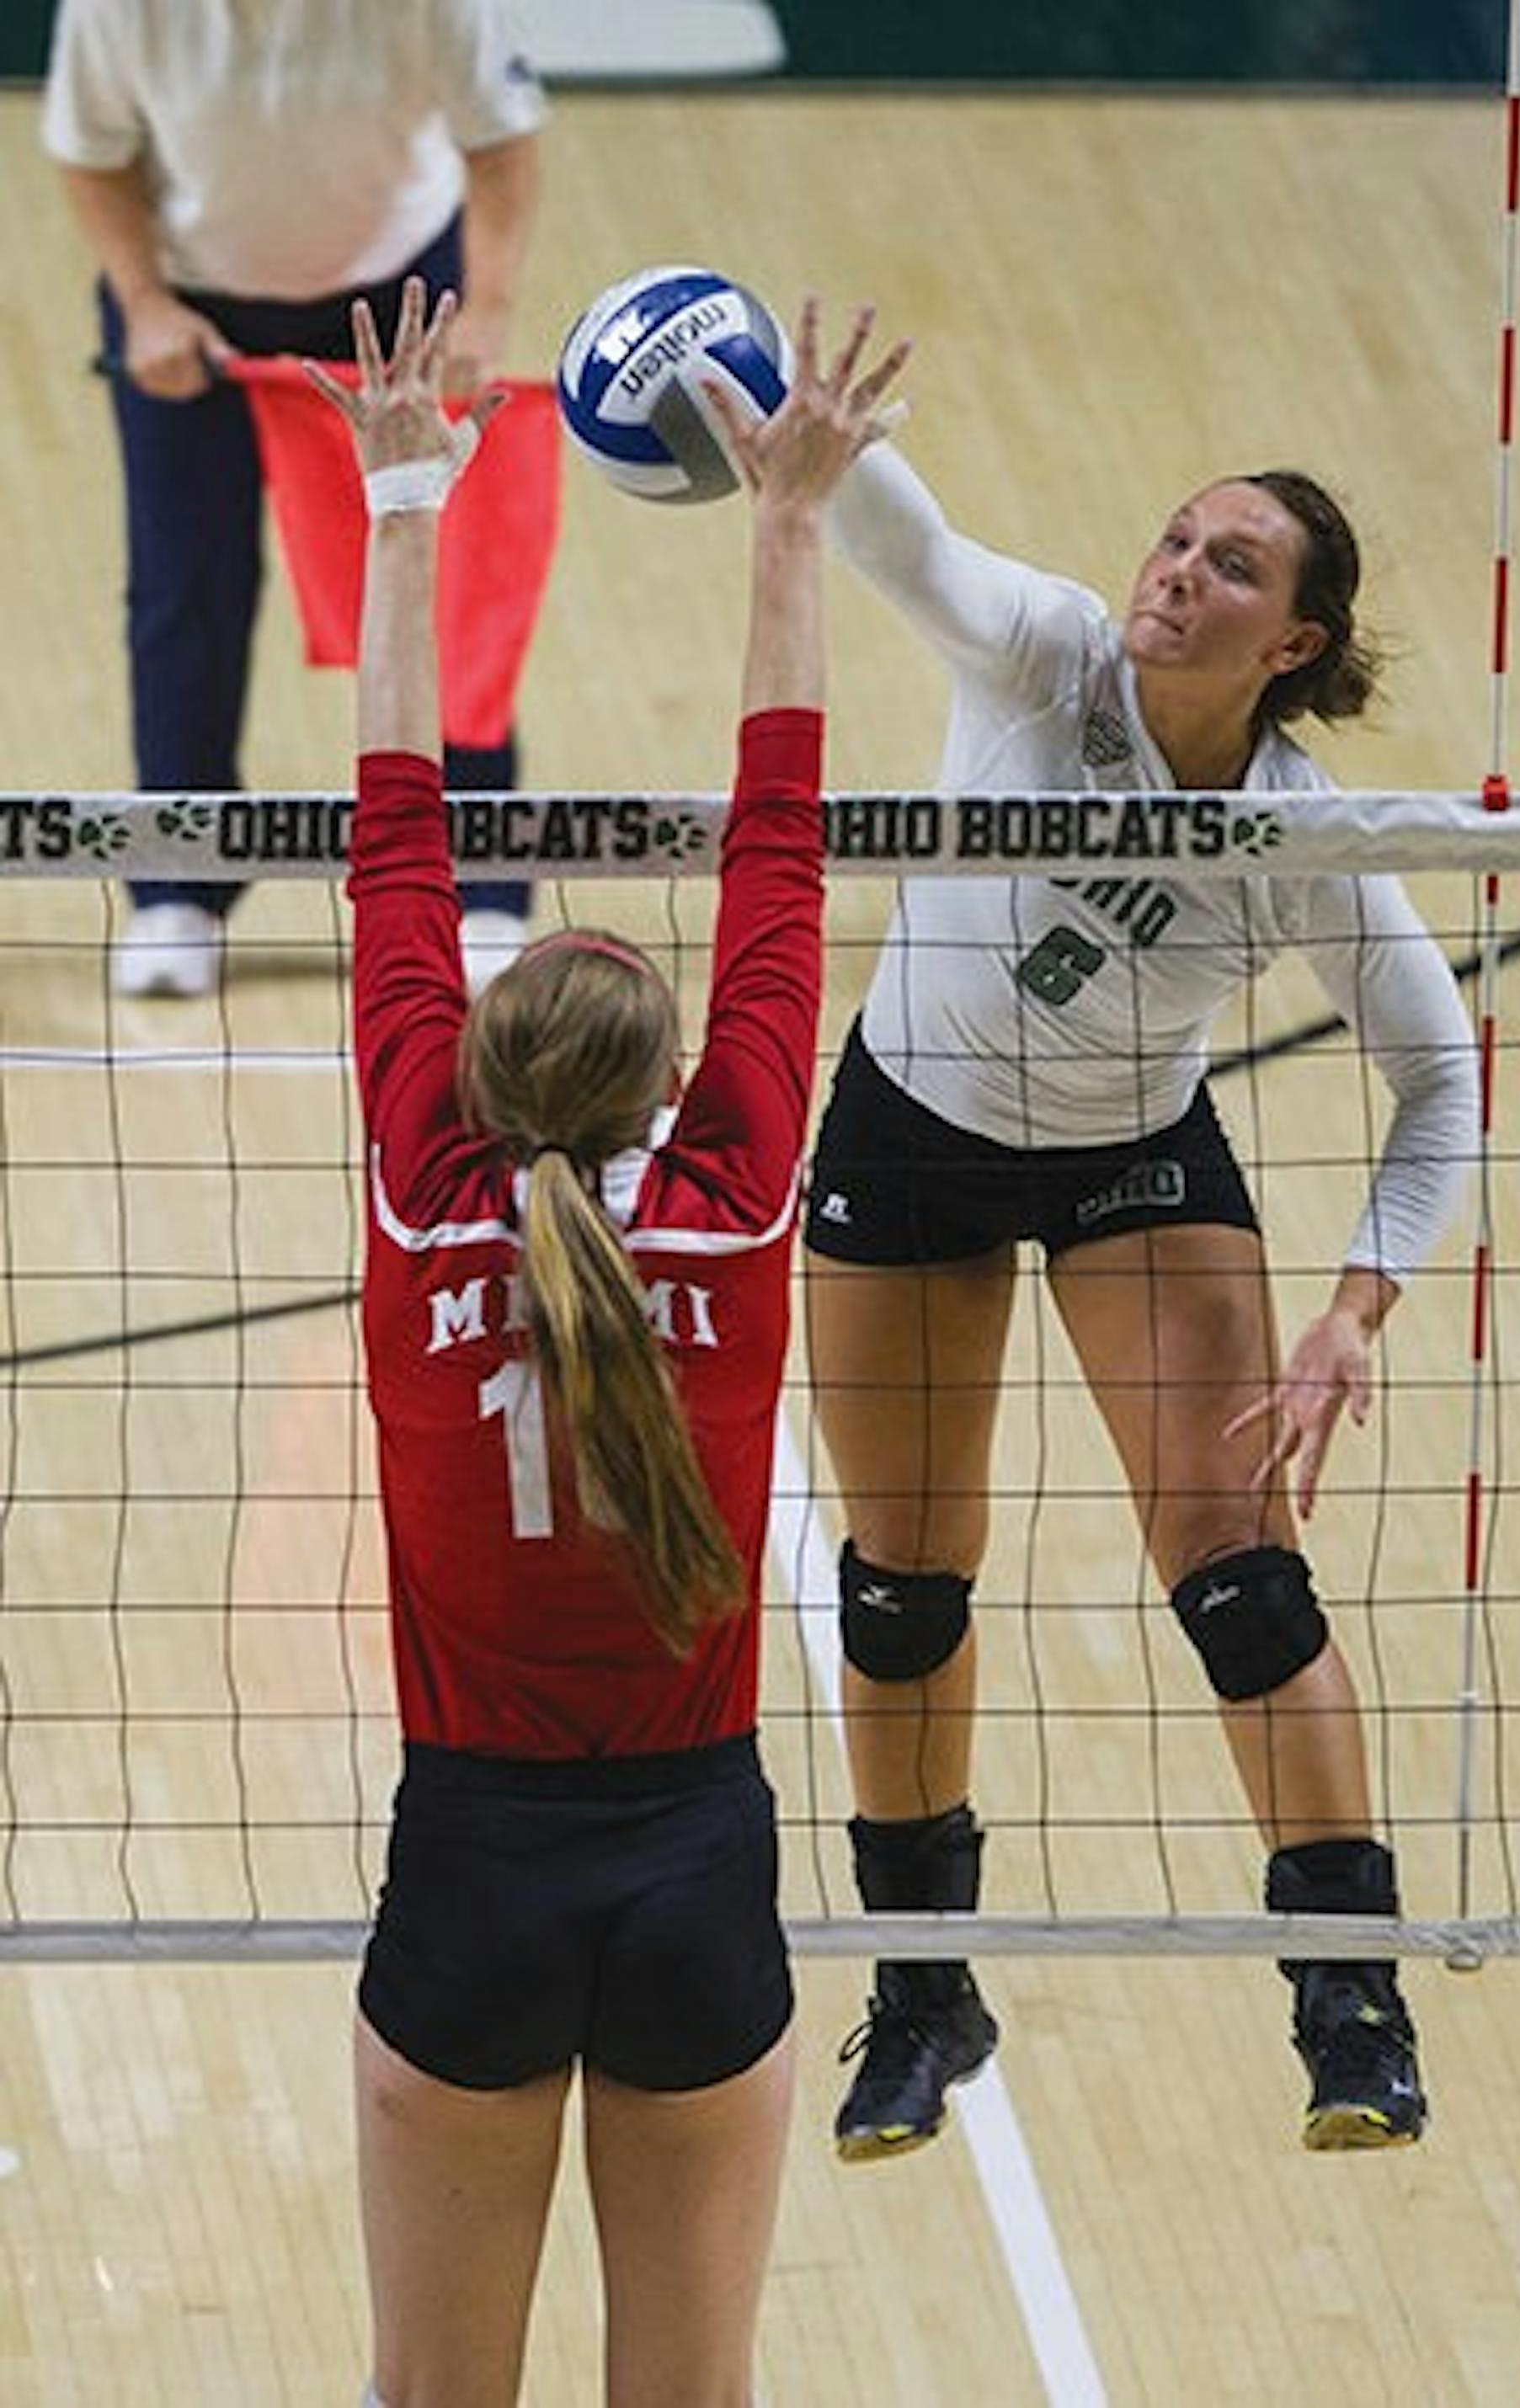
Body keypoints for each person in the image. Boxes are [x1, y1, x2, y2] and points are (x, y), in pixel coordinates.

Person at [318, 280, 907, 2408]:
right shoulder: (734, 1200)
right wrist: (787, 522)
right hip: (696, 1865)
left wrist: (404, 500)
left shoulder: (422, 1195)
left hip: (471, 1863)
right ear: (672, 1083)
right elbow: (781, 849)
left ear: (467, 1070)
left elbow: (396, 834)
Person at [804, 430, 1480, 2158]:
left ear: (1292, 644)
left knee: (1243, 1582)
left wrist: (1353, 1310)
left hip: (1131, 1160)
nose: (1177, 571)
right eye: (1176, 539)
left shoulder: (1297, 835)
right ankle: (923, 1992)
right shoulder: (1044, 654)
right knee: (900, 1592)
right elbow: (911, 547)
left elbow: (1439, 1075)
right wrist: (818, 441)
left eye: (1230, 565)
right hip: (915, 1132)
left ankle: (1352, 2001)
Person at [42, 0, 545, 999]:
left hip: (397, 290)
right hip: (192, 310)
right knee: (184, 589)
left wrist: (486, 310)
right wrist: (143, 302)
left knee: (437, 583)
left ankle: (478, 875)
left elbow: (501, 142)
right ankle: (177, 886)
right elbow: (92, 154)